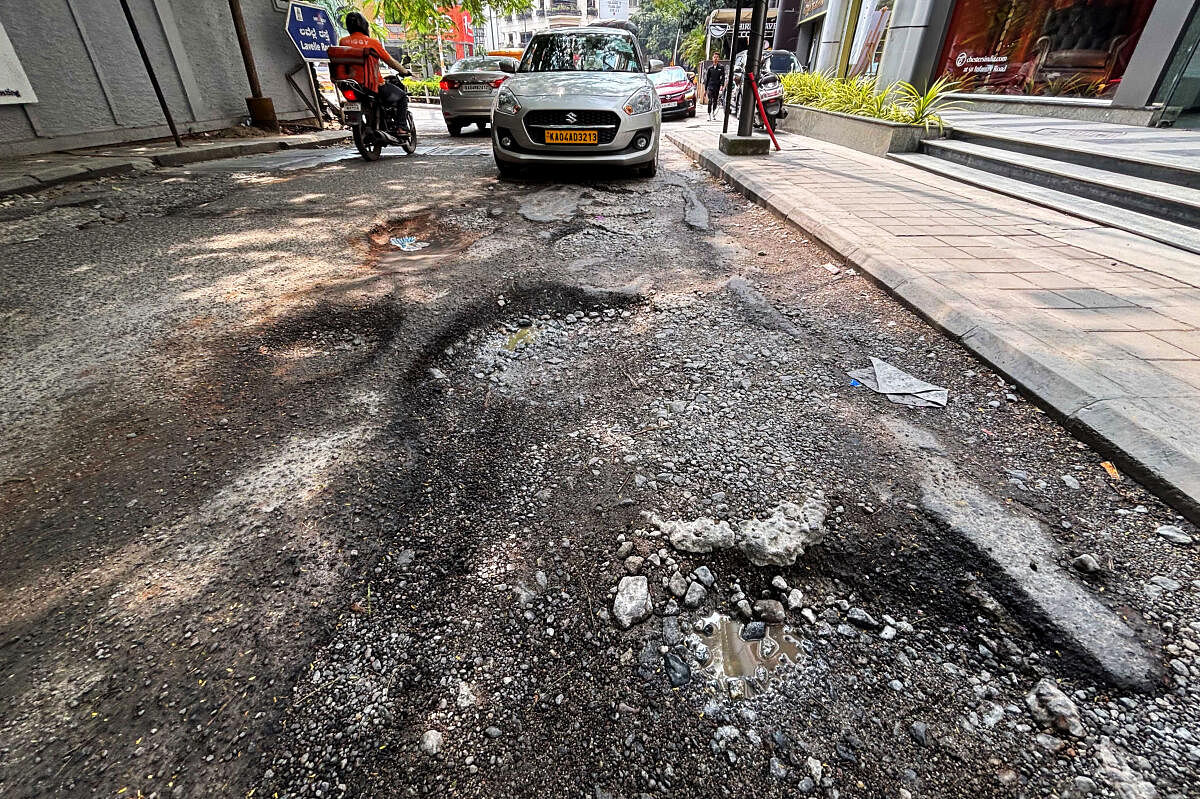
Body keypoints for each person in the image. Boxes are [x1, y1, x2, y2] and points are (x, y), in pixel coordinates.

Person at [339, 12, 413, 132]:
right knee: (402, 97)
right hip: (373, 86)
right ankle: (401, 127)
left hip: (352, 86)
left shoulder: (343, 42)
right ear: (364, 25)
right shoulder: (372, 43)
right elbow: (390, 61)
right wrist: (404, 71)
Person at [704, 53, 725, 121]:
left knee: (715, 101)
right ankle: (709, 114)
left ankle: (713, 113)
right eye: (714, 57)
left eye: (717, 57)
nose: (715, 58)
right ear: (712, 58)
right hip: (710, 86)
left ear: (718, 58)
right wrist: (705, 89)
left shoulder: (721, 67)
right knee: (710, 100)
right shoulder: (710, 68)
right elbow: (707, 79)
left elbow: (723, 77)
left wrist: (722, 85)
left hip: (717, 86)